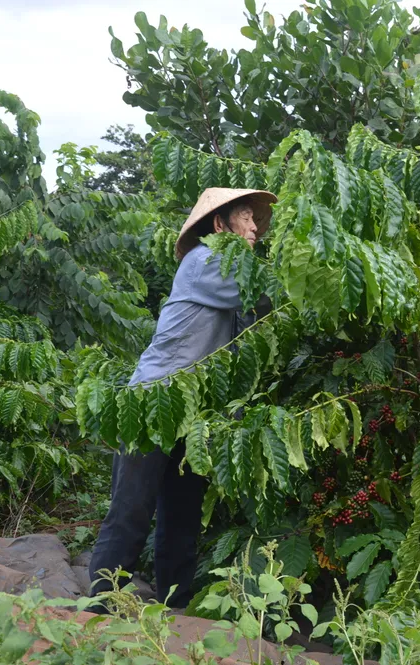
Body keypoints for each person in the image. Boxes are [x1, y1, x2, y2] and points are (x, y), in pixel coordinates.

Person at [88, 187, 278, 612]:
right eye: (245, 217)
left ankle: (176, 606)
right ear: (218, 225)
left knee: (182, 513)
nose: (253, 227)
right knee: (132, 508)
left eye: (254, 220)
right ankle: (100, 606)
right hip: (151, 403)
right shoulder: (205, 261)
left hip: (192, 412)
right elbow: (267, 298)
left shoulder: (234, 272)